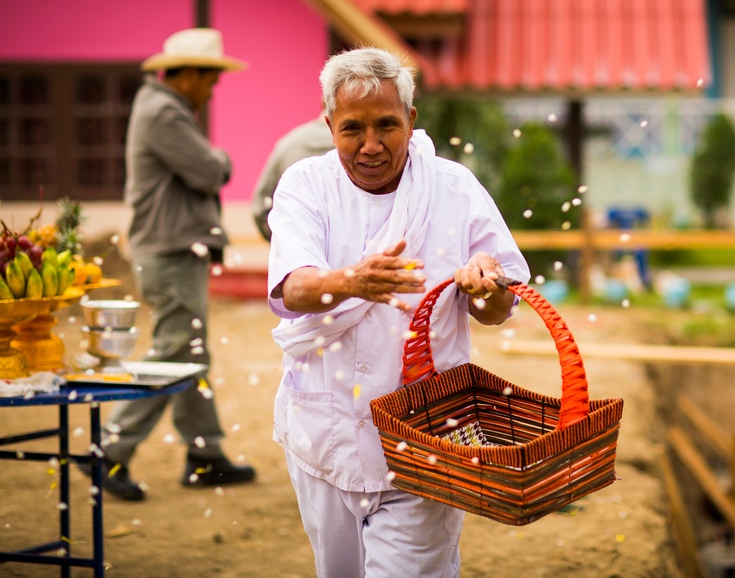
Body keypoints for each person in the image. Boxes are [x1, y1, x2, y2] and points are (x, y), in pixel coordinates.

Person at [267, 47, 529, 577]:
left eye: (386, 125)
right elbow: (292, 288)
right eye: (352, 128)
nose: (370, 145)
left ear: (410, 120)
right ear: (329, 126)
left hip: (427, 434)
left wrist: (485, 284)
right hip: (325, 427)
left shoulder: (454, 188)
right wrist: (352, 282)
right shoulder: (305, 184)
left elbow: (498, 306)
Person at [91, 28, 257, 501]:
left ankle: (205, 455)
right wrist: (221, 158)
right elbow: (209, 170)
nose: (212, 90)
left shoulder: (163, 107)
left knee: (189, 353)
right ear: (187, 75)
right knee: (173, 355)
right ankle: (109, 449)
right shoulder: (164, 112)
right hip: (170, 251)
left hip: (171, 250)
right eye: (210, 80)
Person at [250, 114, 333, 240]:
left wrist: (284, 240)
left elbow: (260, 206)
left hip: (295, 241)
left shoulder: (288, 144)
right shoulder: (359, 146)